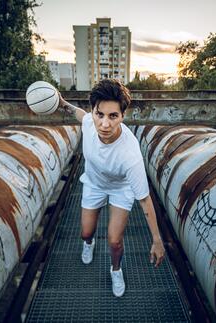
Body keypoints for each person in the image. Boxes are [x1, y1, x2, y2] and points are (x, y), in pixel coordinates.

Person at [58, 79, 165, 297]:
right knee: (85, 232)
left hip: (120, 188)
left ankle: (116, 269)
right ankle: (89, 242)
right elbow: (80, 114)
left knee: (115, 241)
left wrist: (157, 240)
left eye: (113, 116)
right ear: (93, 112)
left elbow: (144, 200)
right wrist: (62, 104)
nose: (105, 124)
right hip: (94, 184)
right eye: (100, 114)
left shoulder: (130, 154)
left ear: (123, 116)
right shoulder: (89, 121)